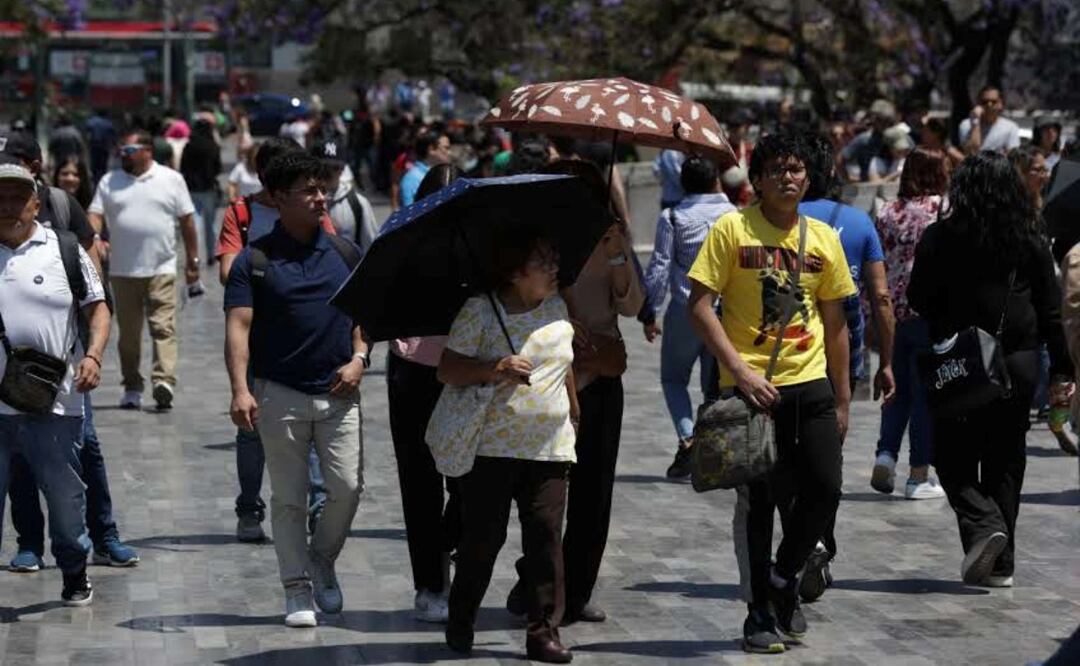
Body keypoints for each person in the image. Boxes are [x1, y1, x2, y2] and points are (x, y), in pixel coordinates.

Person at [687, 131, 855, 653]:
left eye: (796, 168)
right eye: (777, 169)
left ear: (809, 178)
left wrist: (843, 399)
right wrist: (739, 371)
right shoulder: (731, 229)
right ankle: (758, 611)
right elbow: (699, 307)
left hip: (811, 384)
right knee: (759, 505)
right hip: (751, 393)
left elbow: (837, 324)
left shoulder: (823, 238)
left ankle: (785, 576)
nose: (788, 177)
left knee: (825, 489)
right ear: (757, 180)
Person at [907, 152, 1073, 587]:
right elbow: (1050, 310)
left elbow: (918, 298)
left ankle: (983, 526)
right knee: (1005, 459)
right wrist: (1062, 368)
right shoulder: (1030, 237)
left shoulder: (940, 237)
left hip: (960, 361)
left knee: (951, 455)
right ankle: (1001, 565)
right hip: (1016, 363)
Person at [224, 151, 367, 627]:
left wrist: (360, 359)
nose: (321, 197)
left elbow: (363, 318)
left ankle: (322, 558)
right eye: (309, 190)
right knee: (289, 499)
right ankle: (296, 588)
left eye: (323, 188)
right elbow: (238, 327)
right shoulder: (255, 261)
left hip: (339, 393)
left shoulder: (346, 253)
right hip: (278, 393)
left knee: (346, 488)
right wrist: (240, 389)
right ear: (279, 198)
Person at [509, 159, 643, 627]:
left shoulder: (610, 239)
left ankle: (578, 590)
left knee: (594, 495)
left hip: (601, 374)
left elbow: (632, 304)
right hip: (553, 377)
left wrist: (617, 254)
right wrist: (564, 319)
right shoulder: (542, 243)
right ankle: (535, 579)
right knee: (546, 495)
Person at [440, 224, 579, 664]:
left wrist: (574, 411)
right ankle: (462, 616)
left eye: (554, 259)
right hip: (492, 449)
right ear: (516, 272)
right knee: (483, 540)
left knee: (546, 540)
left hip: (549, 447)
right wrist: (494, 368)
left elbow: (564, 364)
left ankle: (543, 633)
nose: (554, 268)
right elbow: (448, 369)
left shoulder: (558, 305)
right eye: (543, 262)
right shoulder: (480, 310)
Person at [1, 136, 139, 572]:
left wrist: (92, 354)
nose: (8, 204)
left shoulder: (62, 216)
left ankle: (101, 537)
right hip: (5, 387)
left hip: (61, 376)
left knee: (82, 459)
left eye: (17, 193)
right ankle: (29, 543)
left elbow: (94, 288)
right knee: (18, 464)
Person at [792, 131, 897, 602]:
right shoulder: (858, 223)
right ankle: (818, 542)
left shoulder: (778, 220)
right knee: (826, 457)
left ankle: (801, 545)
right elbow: (882, 297)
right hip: (842, 359)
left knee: (786, 460)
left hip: (787, 355)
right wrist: (886, 360)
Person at [216, 137, 335, 542]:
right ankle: (250, 507)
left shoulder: (314, 210)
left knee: (314, 423)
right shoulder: (242, 212)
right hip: (259, 339)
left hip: (308, 339)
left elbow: (329, 255)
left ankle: (318, 506)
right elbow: (228, 270)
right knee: (252, 430)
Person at [387, 164, 464, 624]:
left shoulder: (478, 245)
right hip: (412, 371)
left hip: (466, 372)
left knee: (470, 481)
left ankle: (446, 545)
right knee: (419, 482)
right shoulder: (401, 242)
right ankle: (431, 583)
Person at [88, 130, 199, 411]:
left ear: (147, 150)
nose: (122, 155)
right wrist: (96, 237)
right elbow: (95, 214)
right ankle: (132, 386)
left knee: (163, 327)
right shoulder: (109, 181)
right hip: (122, 271)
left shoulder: (171, 179)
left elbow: (187, 221)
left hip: (162, 267)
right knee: (128, 336)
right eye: (121, 150)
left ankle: (164, 381)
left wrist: (193, 261)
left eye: (128, 150)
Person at [642, 156, 735, 479]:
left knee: (673, 379)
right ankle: (713, 450)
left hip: (685, 309)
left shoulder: (673, 217)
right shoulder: (735, 216)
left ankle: (687, 438)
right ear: (716, 180)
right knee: (716, 386)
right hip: (725, 312)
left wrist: (649, 311)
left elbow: (659, 266)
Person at [872, 148, 950, 499]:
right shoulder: (941, 209)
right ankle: (918, 475)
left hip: (891, 314)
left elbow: (877, 264)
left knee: (895, 389)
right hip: (928, 314)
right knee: (924, 397)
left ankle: (885, 456)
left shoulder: (887, 211)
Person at [311, 137, 379, 254]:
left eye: (335, 167)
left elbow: (371, 248)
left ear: (343, 169)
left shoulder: (358, 204)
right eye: (322, 167)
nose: (328, 172)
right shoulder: (303, 202)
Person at [180, 119, 223, 267]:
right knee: (210, 224)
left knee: (195, 222)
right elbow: (218, 169)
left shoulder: (189, 146)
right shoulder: (213, 146)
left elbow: (183, 167)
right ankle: (211, 256)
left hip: (192, 189)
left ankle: (195, 256)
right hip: (209, 188)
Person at [840, 99, 895, 182]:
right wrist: (848, 179)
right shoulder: (864, 139)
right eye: (880, 120)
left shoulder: (895, 138)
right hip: (869, 186)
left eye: (887, 121)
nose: (884, 125)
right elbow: (840, 159)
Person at [959, 86, 1021, 155]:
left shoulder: (1011, 127)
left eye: (994, 102)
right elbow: (972, 152)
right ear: (978, 103)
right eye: (985, 102)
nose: (989, 105)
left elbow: (1012, 155)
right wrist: (975, 123)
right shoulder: (966, 125)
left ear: (1000, 104)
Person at [399, 131, 451, 208]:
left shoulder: (446, 173)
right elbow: (409, 211)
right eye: (446, 148)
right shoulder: (412, 179)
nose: (449, 152)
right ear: (431, 149)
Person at [84, 109, 116, 184]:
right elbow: (112, 136)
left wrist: (86, 145)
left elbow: (87, 134)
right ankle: (102, 180)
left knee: (94, 164)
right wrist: (114, 145)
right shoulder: (108, 123)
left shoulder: (91, 121)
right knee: (103, 166)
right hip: (104, 147)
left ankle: (95, 180)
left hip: (94, 146)